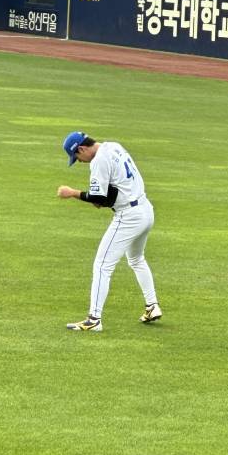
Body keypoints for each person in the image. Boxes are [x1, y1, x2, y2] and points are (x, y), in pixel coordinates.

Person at [57, 132, 161, 332]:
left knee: (102, 265)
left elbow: (100, 198)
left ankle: (94, 319)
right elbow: (111, 191)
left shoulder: (98, 161)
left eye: (77, 158)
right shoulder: (113, 146)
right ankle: (152, 305)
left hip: (129, 216)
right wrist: (100, 199)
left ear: (81, 149)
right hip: (146, 209)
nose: (80, 162)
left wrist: (72, 193)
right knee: (136, 259)